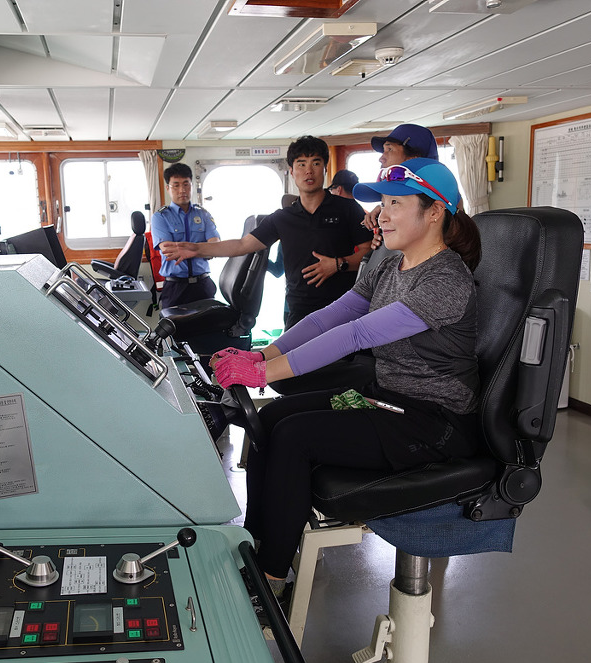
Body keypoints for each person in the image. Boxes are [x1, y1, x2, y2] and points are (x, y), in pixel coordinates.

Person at [210, 158, 481, 594]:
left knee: (295, 438)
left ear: (434, 212)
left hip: (434, 422)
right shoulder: (391, 266)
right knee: (272, 418)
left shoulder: (446, 280)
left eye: (395, 204)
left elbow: (357, 333)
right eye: (382, 204)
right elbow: (330, 317)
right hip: (387, 397)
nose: (381, 215)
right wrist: (263, 353)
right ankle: (256, 541)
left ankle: (271, 578)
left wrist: (262, 372)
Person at [160, 136, 371, 329]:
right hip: (298, 310)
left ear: (325, 169)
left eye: (316, 163)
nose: (309, 171)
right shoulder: (282, 218)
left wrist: (338, 264)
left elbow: (369, 254)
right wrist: (197, 249)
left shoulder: (348, 209)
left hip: (342, 308)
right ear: (292, 171)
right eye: (301, 164)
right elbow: (242, 245)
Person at [150, 163, 221, 309]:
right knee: (173, 324)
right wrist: (202, 249)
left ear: (191, 186)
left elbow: (215, 247)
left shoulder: (203, 214)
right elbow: (169, 251)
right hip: (175, 287)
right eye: (176, 185)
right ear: (168, 188)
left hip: (203, 285)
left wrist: (190, 250)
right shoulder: (160, 217)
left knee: (210, 323)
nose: (182, 190)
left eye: (186, 184)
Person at [363, 124, 439, 237]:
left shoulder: (441, 195)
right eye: (384, 203)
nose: (381, 158)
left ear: (413, 158)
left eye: (389, 149)